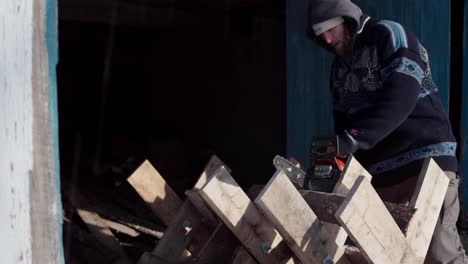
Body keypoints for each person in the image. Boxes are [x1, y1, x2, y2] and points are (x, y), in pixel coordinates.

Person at [308, 0, 468, 263]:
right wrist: (339, 155)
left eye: (329, 28)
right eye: (319, 34)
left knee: (439, 253)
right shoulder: (337, 70)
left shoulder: (389, 35)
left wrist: (354, 140)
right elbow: (343, 127)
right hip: (381, 179)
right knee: (389, 254)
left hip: (426, 163)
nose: (326, 39)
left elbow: (401, 98)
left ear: (346, 19)